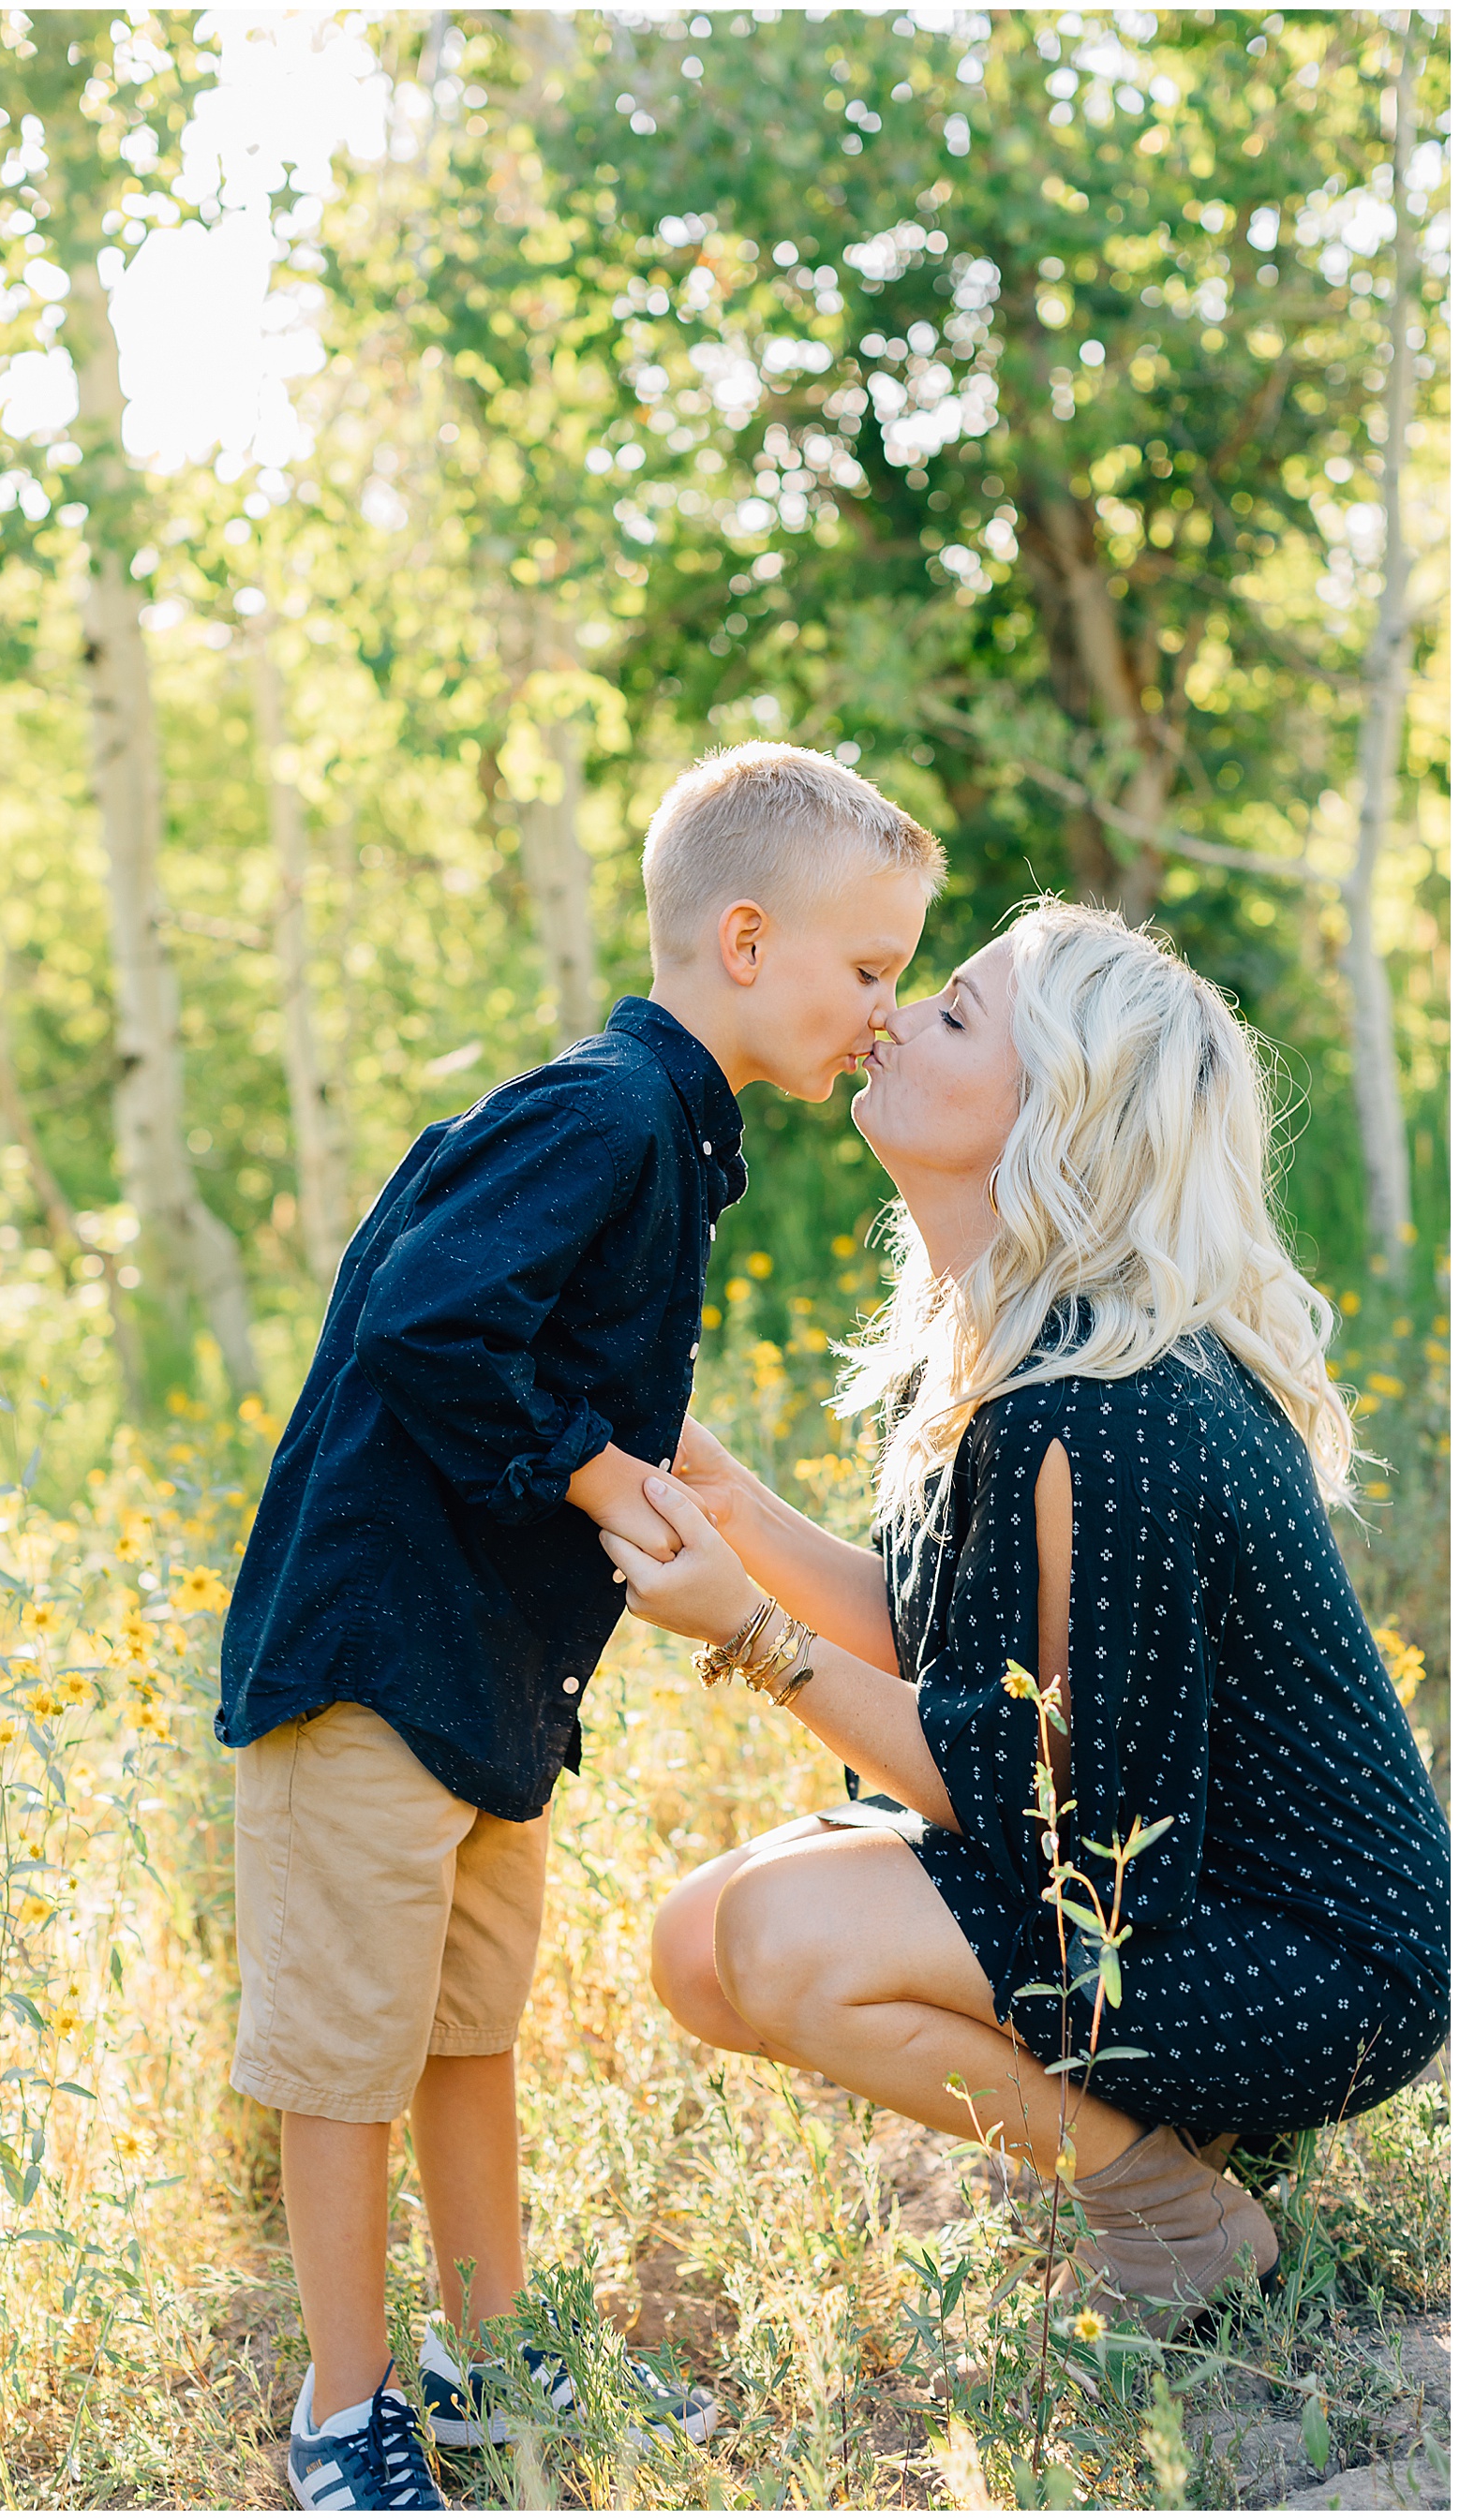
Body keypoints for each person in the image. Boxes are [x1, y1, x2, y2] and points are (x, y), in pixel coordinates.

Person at [217, 742, 945, 2508]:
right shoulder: (610, 1108)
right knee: (346, 2052)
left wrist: (626, 1462)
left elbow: (523, 1335)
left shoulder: (678, 1140)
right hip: (371, 1655)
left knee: (470, 2026)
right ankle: (342, 2409)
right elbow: (415, 1317)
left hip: (483, 1675)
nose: (886, 1015)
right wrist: (592, 1469)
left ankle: (489, 2363)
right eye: (872, 972)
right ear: (749, 943)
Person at [609, 900, 1450, 2335]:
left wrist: (751, 1632)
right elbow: (965, 1657)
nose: (894, 1014)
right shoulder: (1017, 1344)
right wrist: (736, 1506)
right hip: (1165, 1875)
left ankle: (1170, 2204)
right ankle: (1179, 2145)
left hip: (1309, 1964)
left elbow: (1051, 1817)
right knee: (702, 1944)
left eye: (952, 1013)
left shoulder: (1097, 1407)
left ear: (1048, 1113)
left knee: (780, 1942)